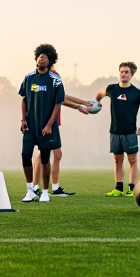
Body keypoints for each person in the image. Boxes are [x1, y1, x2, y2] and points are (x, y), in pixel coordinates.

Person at [32, 62, 93, 197]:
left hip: (48, 122)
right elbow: (61, 99)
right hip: (47, 122)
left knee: (50, 154)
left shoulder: (48, 75)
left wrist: (82, 102)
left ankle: (46, 187)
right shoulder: (50, 76)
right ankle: (40, 187)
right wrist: (80, 106)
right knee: (46, 155)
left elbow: (63, 96)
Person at [94, 61, 140, 197]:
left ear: (132, 74)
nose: (123, 74)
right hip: (115, 131)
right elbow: (99, 94)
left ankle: (131, 189)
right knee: (118, 160)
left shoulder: (138, 93)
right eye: (121, 71)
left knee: (132, 161)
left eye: (126, 72)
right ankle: (118, 188)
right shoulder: (112, 89)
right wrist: (97, 104)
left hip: (130, 132)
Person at [20, 45, 64, 204]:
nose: (41, 58)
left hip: (47, 128)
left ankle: (45, 191)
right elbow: (24, 99)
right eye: (39, 56)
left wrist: (49, 125)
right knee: (25, 155)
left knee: (45, 158)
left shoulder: (55, 80)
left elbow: (58, 104)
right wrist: (23, 120)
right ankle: (30, 190)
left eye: (45, 56)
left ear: (50, 60)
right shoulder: (29, 78)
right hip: (30, 127)